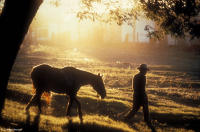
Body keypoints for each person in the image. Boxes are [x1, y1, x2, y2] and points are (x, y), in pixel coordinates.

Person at [125, 64, 154, 130]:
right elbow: (142, 88)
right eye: (145, 70)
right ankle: (147, 122)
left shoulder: (136, 76)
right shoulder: (143, 77)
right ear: (143, 70)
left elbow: (134, 87)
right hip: (141, 95)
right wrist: (144, 96)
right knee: (145, 109)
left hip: (136, 95)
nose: (146, 71)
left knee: (135, 109)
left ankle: (126, 119)